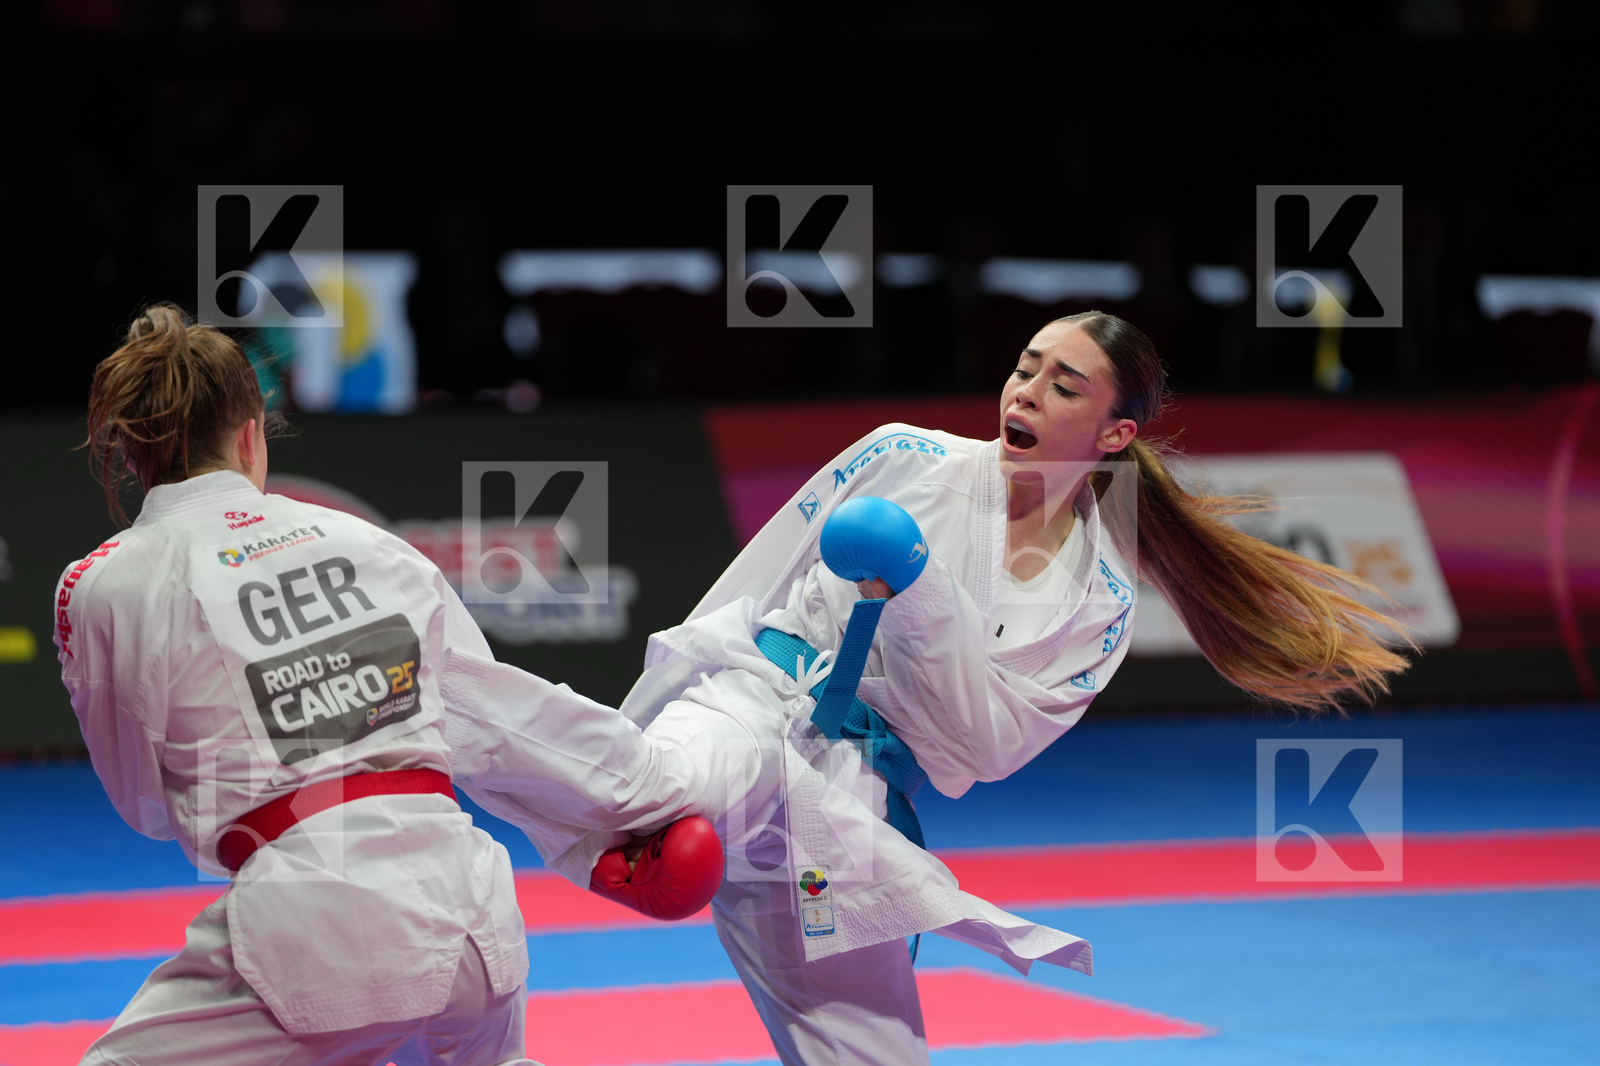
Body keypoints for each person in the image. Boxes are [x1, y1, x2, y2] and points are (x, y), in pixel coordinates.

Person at [535, 311, 1411, 1065]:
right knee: (668, 780)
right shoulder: (902, 456)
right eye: (1025, 368)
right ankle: (529, 760)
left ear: (1114, 435)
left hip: (855, 799)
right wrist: (666, 690)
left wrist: (919, 587)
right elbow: (758, 577)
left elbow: (987, 747)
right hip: (758, 699)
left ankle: (651, 816)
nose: (1026, 392)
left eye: (1064, 386)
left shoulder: (1097, 600)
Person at [55, 305, 724, 1066]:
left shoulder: (104, 582)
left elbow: (144, 806)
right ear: (251, 434)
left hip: (316, 927)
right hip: (474, 917)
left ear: (130, 453)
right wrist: (656, 799)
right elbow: (499, 723)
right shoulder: (372, 544)